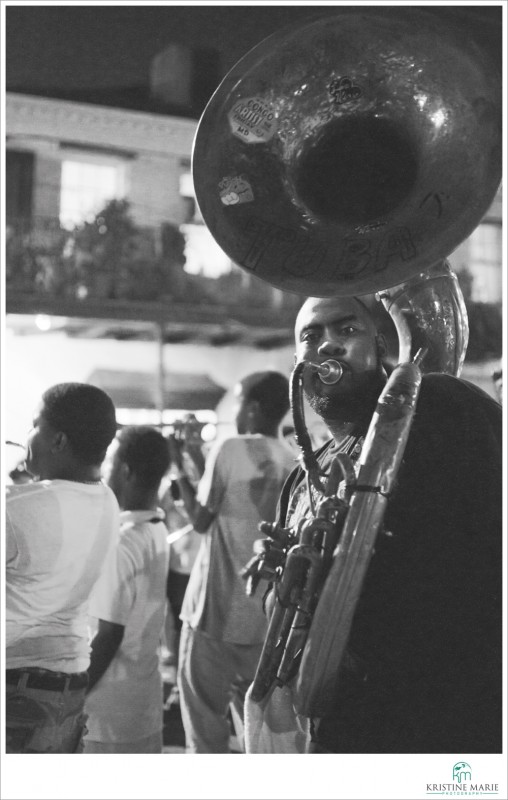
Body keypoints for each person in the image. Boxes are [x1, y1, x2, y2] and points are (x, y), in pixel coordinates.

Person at [245, 295, 502, 754]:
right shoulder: (304, 475)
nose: (328, 346)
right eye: (311, 336)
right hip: (347, 724)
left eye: (347, 331)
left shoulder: (441, 408)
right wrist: (279, 584)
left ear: (381, 344)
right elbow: (291, 621)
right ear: (298, 361)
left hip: (447, 718)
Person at [171, 371, 296, 753]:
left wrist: (177, 462)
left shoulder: (231, 447)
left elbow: (201, 519)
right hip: (260, 621)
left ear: (253, 409)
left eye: (237, 401)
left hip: (214, 615)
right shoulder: (291, 461)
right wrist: (196, 456)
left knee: (204, 724)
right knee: (253, 730)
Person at [5, 382, 119, 753]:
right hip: (66, 690)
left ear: (58, 441)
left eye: (34, 426)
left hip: (17, 690)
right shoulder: (107, 501)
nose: (26, 437)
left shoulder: (19, 509)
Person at [83, 425, 171, 754]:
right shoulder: (155, 528)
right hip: (142, 706)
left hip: (107, 716)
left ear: (126, 471)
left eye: (108, 463)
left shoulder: (120, 541)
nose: (103, 472)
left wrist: (71, 698)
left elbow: (108, 635)